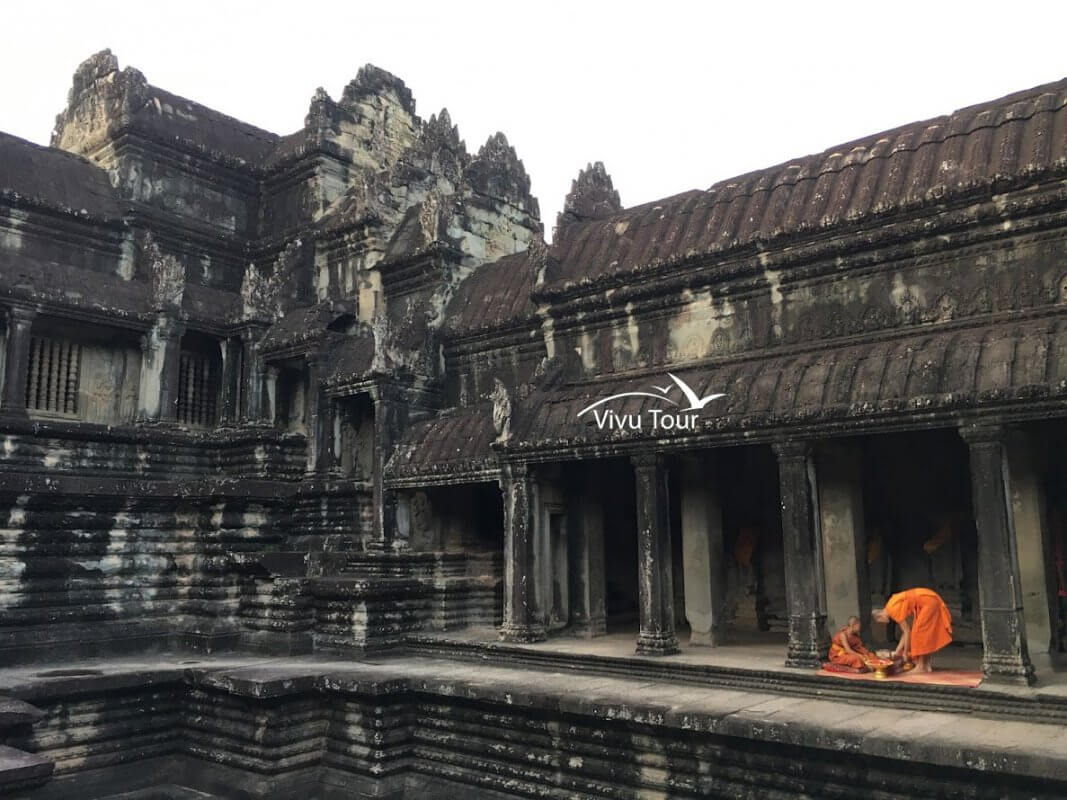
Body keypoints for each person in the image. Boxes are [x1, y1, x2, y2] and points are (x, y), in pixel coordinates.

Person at [873, 587, 952, 673]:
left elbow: (907, 632)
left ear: (880, 616)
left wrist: (905, 653)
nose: (885, 623)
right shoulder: (890, 605)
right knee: (923, 632)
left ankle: (921, 667)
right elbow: (906, 632)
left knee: (919, 633)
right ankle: (926, 665)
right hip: (928, 600)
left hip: (928, 601)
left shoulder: (892, 610)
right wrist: (898, 651)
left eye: (881, 621)